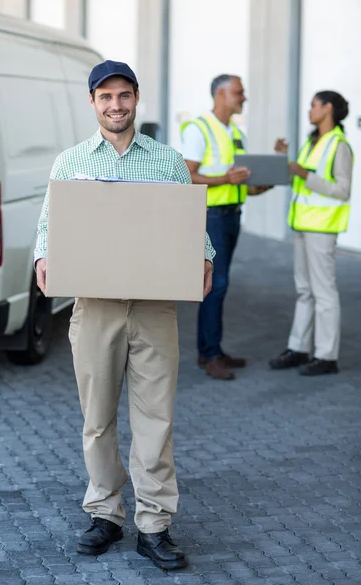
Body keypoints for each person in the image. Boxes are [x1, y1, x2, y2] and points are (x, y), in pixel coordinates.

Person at [34, 60, 215, 570]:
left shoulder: (167, 161)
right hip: (94, 307)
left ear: (137, 99)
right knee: (97, 420)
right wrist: (43, 256)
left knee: (156, 419)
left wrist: (204, 257)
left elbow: (190, 224)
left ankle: (154, 526)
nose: (116, 105)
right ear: (92, 102)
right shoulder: (70, 162)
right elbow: (49, 225)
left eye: (124, 96)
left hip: (155, 306)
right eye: (106, 97)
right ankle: (105, 514)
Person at [181, 74, 270, 381]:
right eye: (238, 92)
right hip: (212, 216)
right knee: (213, 285)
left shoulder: (234, 132)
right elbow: (186, 175)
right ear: (220, 94)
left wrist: (267, 180)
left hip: (232, 214)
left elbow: (241, 182)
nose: (243, 97)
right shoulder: (199, 129)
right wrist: (224, 180)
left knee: (221, 285)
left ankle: (214, 349)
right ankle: (208, 355)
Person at [270, 91, 353, 376]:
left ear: (328, 108)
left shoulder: (339, 145)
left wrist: (305, 174)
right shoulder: (312, 141)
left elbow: (342, 190)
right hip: (304, 225)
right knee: (304, 290)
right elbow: (301, 173)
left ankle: (327, 356)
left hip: (322, 228)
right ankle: (299, 348)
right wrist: (284, 159)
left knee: (324, 292)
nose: (309, 110)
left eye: (313, 106)